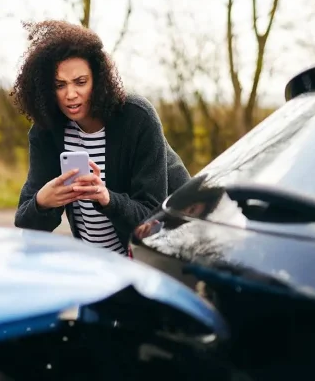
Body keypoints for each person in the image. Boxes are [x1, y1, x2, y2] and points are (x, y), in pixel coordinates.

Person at [10, 20, 190, 254]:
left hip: (165, 253)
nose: (70, 94)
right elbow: (26, 222)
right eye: (59, 85)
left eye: (80, 82)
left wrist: (106, 198)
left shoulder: (137, 118)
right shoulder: (47, 130)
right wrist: (43, 202)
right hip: (100, 264)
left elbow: (151, 219)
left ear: (98, 79)